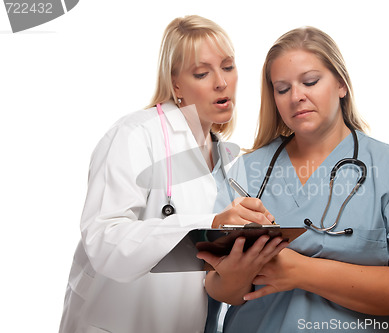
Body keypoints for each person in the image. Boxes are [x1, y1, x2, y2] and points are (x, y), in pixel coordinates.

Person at [198, 26, 389, 333]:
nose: (297, 96)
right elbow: (218, 288)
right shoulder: (243, 173)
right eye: (282, 89)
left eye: (310, 81)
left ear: (341, 84)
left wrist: (300, 271)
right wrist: (233, 273)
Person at [58, 15, 277, 333]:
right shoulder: (134, 135)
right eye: (202, 73)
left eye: (228, 66)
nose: (221, 82)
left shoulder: (231, 160)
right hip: (115, 323)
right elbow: (104, 240)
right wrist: (210, 224)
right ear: (176, 85)